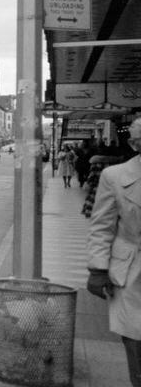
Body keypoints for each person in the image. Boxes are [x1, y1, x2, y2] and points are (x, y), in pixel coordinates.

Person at [88, 117, 141, 386]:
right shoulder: (115, 177)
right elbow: (102, 226)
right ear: (134, 144)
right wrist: (98, 269)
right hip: (132, 268)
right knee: (135, 338)